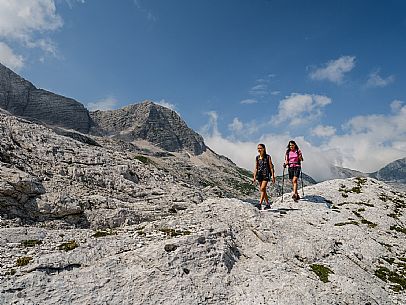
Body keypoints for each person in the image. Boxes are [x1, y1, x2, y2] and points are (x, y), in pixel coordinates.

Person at [253, 143, 276, 209]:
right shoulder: (257, 157)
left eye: (260, 148)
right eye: (258, 148)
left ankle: (260, 204)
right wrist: (254, 176)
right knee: (263, 190)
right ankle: (268, 204)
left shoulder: (268, 157)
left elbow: (271, 167)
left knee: (262, 188)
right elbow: (256, 167)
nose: (259, 149)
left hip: (266, 174)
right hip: (259, 175)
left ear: (264, 149)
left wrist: (273, 176)